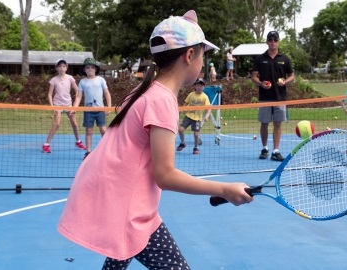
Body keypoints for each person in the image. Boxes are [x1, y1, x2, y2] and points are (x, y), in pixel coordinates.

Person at [57, 10, 253, 269]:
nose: (203, 64)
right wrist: (224, 189)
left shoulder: (145, 90)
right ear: (190, 55)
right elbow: (165, 175)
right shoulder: (161, 100)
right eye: (203, 55)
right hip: (128, 209)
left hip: (117, 200)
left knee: (120, 254)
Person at [251, 30, 295, 162]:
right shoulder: (260, 59)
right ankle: (264, 148)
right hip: (265, 97)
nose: (273, 42)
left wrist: (285, 82)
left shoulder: (284, 59)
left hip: (280, 97)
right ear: (267, 42)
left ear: (278, 42)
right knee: (264, 123)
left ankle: (276, 151)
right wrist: (261, 83)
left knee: (277, 124)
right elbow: (253, 77)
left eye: (275, 40)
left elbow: (292, 75)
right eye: (270, 40)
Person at [72, 57, 112, 159]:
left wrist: (109, 107)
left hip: (100, 110)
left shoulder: (101, 80)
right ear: (84, 69)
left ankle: (107, 149)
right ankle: (88, 151)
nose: (90, 69)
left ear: (96, 69)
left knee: (103, 129)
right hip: (88, 111)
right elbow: (79, 96)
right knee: (89, 130)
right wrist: (74, 108)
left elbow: (107, 94)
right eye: (88, 67)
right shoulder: (83, 82)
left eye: (92, 67)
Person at [42, 59, 85, 153]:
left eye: (63, 66)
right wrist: (52, 107)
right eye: (60, 66)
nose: (62, 68)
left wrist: (75, 102)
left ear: (66, 68)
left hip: (68, 105)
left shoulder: (70, 78)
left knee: (74, 123)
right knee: (57, 124)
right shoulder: (53, 80)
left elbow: (77, 91)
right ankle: (46, 145)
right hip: (57, 105)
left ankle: (78, 141)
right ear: (57, 68)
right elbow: (49, 94)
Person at [177, 78, 211, 154]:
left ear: (204, 87)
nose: (199, 87)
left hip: (197, 119)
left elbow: (209, 109)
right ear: (195, 86)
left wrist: (207, 116)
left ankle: (196, 147)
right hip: (188, 116)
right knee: (180, 129)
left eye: (201, 86)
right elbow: (186, 103)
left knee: (196, 134)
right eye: (198, 85)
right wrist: (181, 110)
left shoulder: (205, 97)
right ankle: (183, 143)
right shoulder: (191, 95)